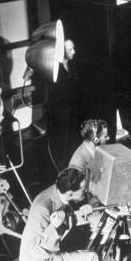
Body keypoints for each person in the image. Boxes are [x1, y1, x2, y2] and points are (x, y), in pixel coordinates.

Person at [19, 167, 122, 261]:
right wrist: (54, 228)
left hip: (46, 252)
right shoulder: (42, 208)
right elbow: (35, 249)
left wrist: (84, 209)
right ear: (70, 193)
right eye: (82, 190)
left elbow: (68, 214)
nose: (85, 191)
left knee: (80, 254)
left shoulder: (58, 192)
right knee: (91, 259)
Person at [47, 39, 80, 167]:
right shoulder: (55, 69)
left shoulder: (72, 65)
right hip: (61, 113)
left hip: (72, 111)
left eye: (73, 48)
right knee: (63, 143)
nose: (74, 52)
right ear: (62, 52)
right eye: (70, 49)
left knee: (73, 141)